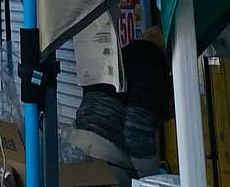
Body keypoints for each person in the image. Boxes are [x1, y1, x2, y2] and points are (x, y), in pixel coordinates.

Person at [70, 40, 170, 181]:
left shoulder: (122, 58)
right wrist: (152, 178)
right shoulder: (154, 67)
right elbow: (137, 131)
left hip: (77, 147)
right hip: (108, 157)